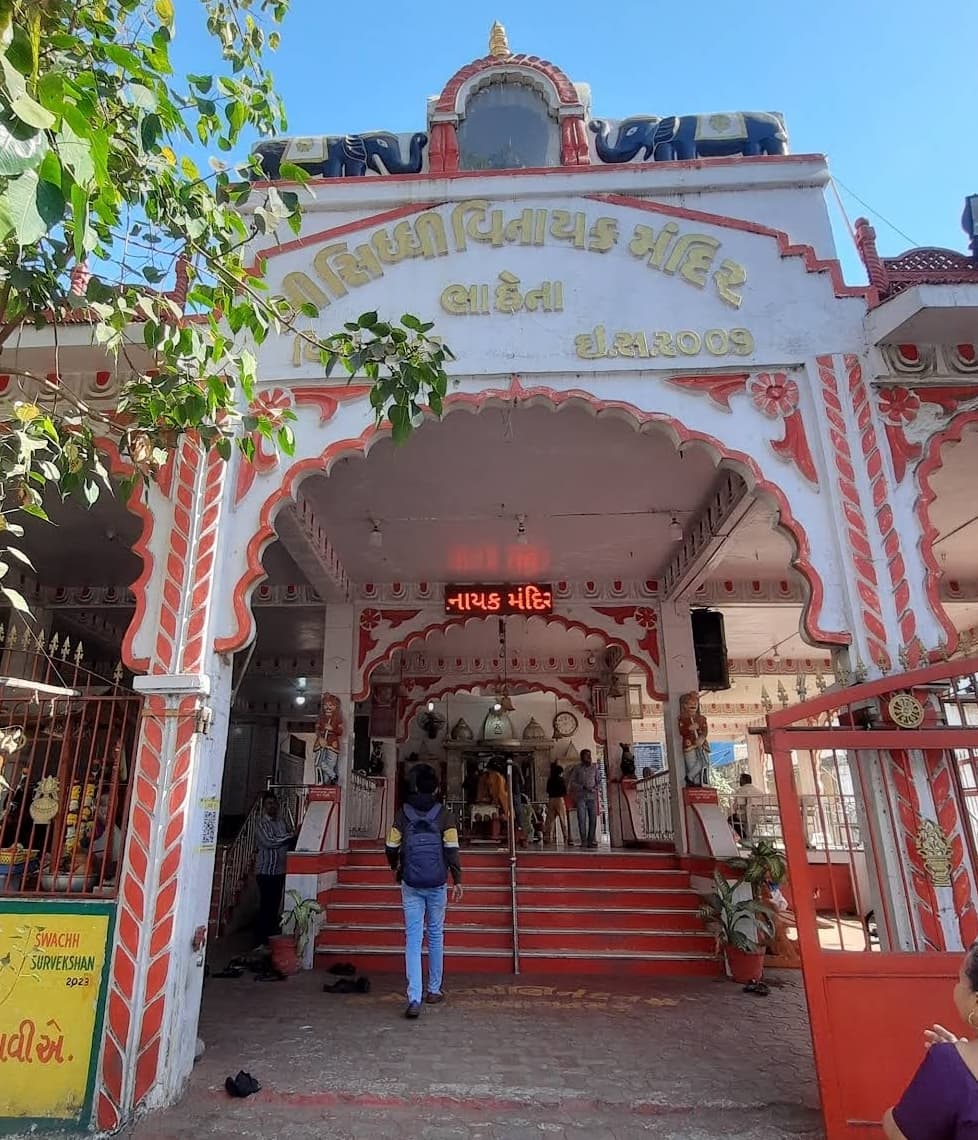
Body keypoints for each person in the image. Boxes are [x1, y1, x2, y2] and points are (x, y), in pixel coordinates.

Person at [385, 764, 463, 1019]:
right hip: (437, 883)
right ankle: (434, 990)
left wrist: (395, 866)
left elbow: (390, 845)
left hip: (411, 883)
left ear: (414, 786)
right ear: (437, 787)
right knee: (436, 935)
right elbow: (451, 848)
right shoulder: (445, 814)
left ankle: (414, 997)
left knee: (413, 939)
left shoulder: (402, 813)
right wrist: (458, 878)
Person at [884, 942, 978, 1138]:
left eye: (960, 979)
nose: (956, 987)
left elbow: (899, 1133)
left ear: (975, 1002)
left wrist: (955, 1065)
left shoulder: (949, 1067)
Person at [255, 793, 293, 949]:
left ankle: (269, 939)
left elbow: (289, 837)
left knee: (274, 907)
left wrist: (291, 836)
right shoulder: (261, 824)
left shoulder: (281, 822)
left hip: (279, 871)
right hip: (265, 871)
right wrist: (289, 837)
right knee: (266, 906)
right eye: (269, 804)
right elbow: (269, 841)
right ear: (264, 806)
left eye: (274, 803)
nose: (272, 806)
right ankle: (259, 941)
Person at [568, 749, 600, 849]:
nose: (589, 758)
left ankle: (591, 841)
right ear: (582, 757)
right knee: (581, 819)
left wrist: (594, 788)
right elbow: (572, 782)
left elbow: (599, 781)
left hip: (592, 796)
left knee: (593, 819)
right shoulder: (577, 768)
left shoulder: (594, 768)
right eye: (586, 756)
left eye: (589, 756)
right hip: (581, 796)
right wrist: (582, 787)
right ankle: (584, 841)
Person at [730, 773, 766, 841]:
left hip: (743, 816)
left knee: (731, 819)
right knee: (752, 819)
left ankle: (744, 838)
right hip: (757, 816)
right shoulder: (758, 791)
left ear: (743, 780)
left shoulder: (740, 790)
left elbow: (735, 807)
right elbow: (763, 807)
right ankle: (748, 838)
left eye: (740, 779)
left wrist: (736, 810)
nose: (739, 781)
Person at [544, 760, 571, 846]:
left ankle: (548, 837)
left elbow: (547, 790)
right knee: (563, 819)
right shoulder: (561, 780)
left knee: (550, 820)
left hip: (551, 799)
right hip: (559, 799)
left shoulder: (550, 779)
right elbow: (565, 791)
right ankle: (566, 837)